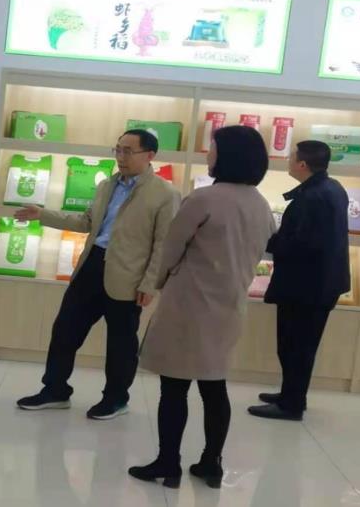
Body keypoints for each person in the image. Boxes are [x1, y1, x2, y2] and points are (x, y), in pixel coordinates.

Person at [128, 125, 275, 489]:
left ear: (227, 155)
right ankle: (212, 463)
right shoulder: (261, 205)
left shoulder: (204, 199)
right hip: (230, 305)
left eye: (213, 148)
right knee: (214, 386)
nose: (209, 154)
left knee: (173, 387)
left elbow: (171, 249)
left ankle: (168, 463)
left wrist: (158, 282)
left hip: (189, 304)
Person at [15, 129, 180, 419]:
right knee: (65, 331)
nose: (121, 157)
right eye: (118, 150)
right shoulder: (106, 185)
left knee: (121, 343)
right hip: (91, 266)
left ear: (150, 155)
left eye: (128, 151)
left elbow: (164, 244)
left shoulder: (165, 194)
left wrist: (150, 284)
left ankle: (116, 399)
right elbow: (86, 222)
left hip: (128, 277)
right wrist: (42, 214)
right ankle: (55, 390)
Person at [248, 140, 350, 421]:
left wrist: (264, 239)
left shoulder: (312, 197)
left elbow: (300, 243)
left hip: (306, 286)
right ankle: (291, 395)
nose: (288, 160)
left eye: (292, 157)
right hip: (319, 284)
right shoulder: (331, 188)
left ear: (302, 164)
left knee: (295, 346)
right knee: (299, 345)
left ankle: (291, 405)